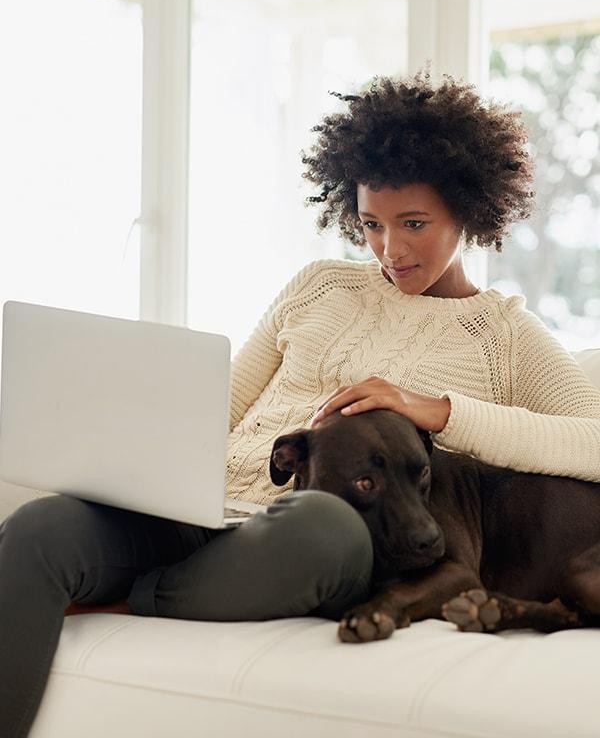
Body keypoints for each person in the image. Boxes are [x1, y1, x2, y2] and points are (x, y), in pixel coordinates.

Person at [1, 73, 599, 737]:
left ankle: (124, 595)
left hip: (309, 543)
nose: (390, 250)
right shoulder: (317, 287)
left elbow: (592, 444)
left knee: (323, 524)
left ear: (469, 209)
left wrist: (440, 410)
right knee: (41, 527)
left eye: (415, 224)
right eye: (371, 224)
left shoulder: (506, 337)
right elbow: (221, 405)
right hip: (198, 514)